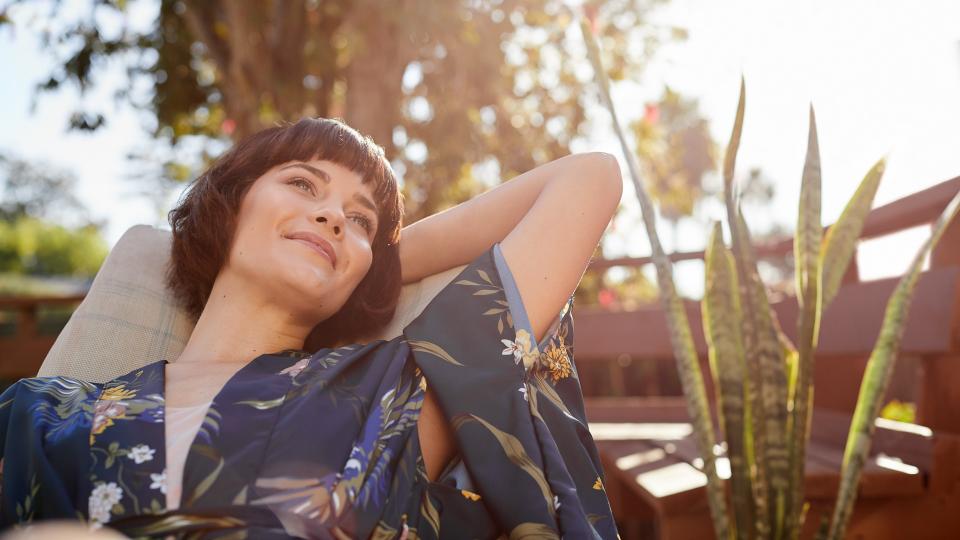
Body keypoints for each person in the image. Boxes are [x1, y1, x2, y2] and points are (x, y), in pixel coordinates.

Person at [0, 118, 623, 539]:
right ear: (230, 202)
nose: (331, 214)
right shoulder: (39, 412)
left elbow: (587, 179)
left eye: (359, 219)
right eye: (303, 183)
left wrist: (372, 265)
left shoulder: (391, 392)